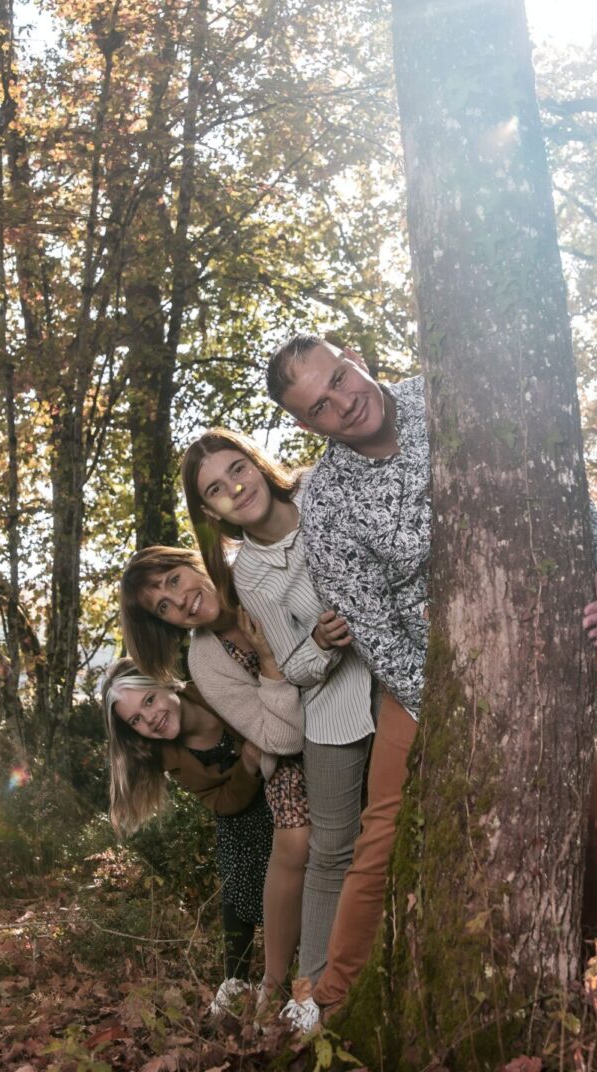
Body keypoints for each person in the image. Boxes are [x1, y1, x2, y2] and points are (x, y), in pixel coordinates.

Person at [266, 334, 597, 1015]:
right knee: (381, 830)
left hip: (531, 644)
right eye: (320, 406)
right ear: (305, 425)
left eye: (343, 378)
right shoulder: (324, 502)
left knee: (578, 820)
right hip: (423, 674)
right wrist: (459, 714)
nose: (345, 402)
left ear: (356, 357)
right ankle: (331, 1002)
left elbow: (554, 486)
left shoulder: (449, 399)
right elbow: (373, 628)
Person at [179, 428, 373, 989]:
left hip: (399, 674)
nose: (235, 488)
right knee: (322, 847)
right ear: (210, 512)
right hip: (327, 705)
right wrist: (320, 642)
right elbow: (294, 668)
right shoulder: (247, 576)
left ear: (257, 464)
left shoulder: (320, 488)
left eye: (237, 469)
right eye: (216, 489)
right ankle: (306, 988)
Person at [119, 548, 316, 1029]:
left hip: (316, 717)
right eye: (162, 606)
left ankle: (287, 971)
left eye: (173, 580)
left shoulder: (253, 583)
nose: (177, 600)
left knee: (289, 845)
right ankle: (252, 978)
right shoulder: (177, 745)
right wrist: (251, 756)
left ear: (166, 687)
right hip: (257, 783)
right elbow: (227, 798)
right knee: (248, 858)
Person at [102, 658, 272, 1017]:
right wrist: (249, 765)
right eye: (136, 720)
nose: (150, 718)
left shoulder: (213, 685)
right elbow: (222, 802)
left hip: (286, 775)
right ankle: (236, 978)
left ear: (166, 684)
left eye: (149, 700)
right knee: (237, 869)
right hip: (244, 806)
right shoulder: (170, 756)